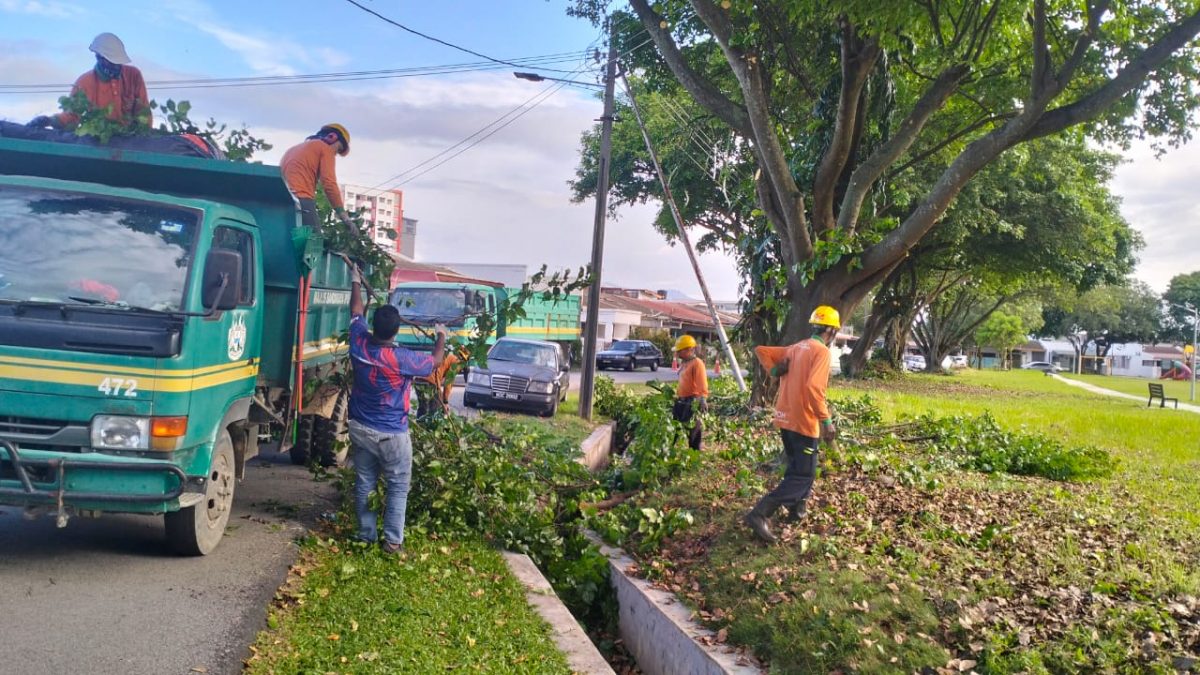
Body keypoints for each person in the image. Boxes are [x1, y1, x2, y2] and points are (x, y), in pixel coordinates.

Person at [345, 261, 446, 553]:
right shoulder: (403, 359)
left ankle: (366, 536)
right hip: (392, 434)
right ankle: (392, 542)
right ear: (397, 330)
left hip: (360, 428)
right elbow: (435, 362)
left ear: (373, 326)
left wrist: (356, 281)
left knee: (365, 481)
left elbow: (355, 311)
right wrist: (441, 335)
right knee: (398, 485)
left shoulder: (358, 343)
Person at [743, 305, 841, 543]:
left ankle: (796, 511)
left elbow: (761, 351)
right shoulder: (821, 352)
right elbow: (814, 389)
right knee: (803, 475)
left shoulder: (796, 348)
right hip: (802, 421)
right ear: (830, 330)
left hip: (785, 419)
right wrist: (826, 421)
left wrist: (776, 370)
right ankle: (760, 513)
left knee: (799, 466)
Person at [28, 33, 151, 131]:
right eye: (112, 61)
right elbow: (72, 116)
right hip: (100, 141)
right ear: (99, 57)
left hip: (130, 140)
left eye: (118, 62)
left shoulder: (133, 76)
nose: (116, 65)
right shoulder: (85, 83)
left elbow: (144, 111)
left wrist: (143, 135)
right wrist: (49, 120)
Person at [280, 124, 356, 232]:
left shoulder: (293, 150)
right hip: (302, 200)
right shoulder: (325, 149)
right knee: (315, 241)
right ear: (332, 137)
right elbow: (329, 183)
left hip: (282, 201)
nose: (335, 154)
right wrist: (343, 215)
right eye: (338, 149)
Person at [672, 334, 708, 451]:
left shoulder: (697, 363)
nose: (677, 353)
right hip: (681, 401)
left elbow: (702, 382)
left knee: (693, 432)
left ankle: (694, 454)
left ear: (689, 349)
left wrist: (702, 399)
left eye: (679, 351)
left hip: (692, 402)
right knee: (676, 429)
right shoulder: (684, 363)